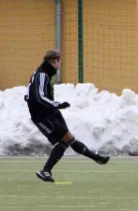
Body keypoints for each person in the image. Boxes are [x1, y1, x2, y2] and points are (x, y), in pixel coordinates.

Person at [25, 49, 110, 183]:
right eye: (59, 61)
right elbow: (38, 96)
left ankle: (46, 171)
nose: (60, 64)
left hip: (50, 112)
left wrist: (54, 107)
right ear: (54, 61)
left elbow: (31, 92)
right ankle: (96, 158)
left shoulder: (44, 73)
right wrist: (57, 104)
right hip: (43, 115)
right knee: (67, 139)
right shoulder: (42, 74)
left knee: (66, 140)